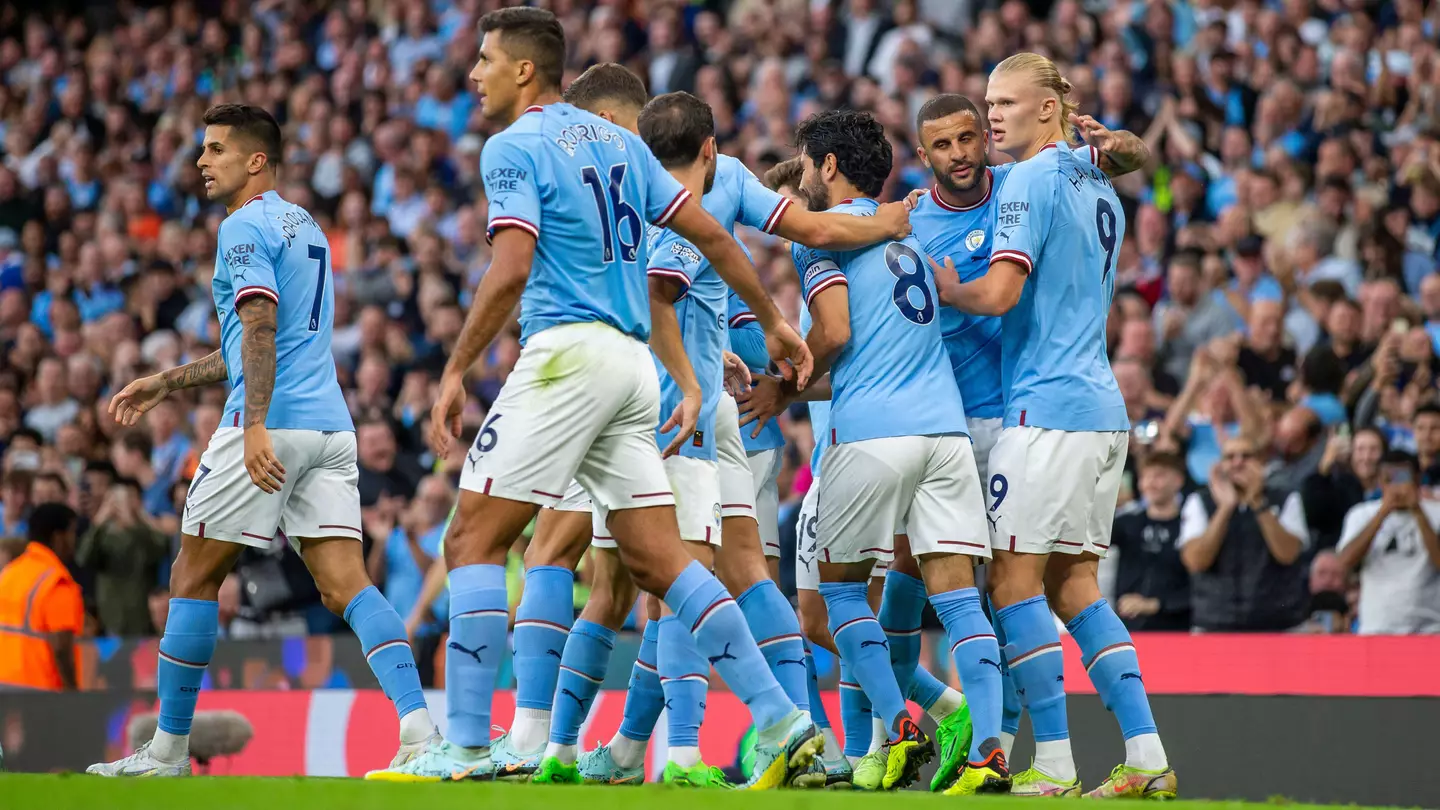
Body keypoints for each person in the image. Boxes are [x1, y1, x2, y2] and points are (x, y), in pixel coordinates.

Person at [373, 9, 818, 788]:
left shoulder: (513, 146)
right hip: (631, 364)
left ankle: (471, 748)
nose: (471, 75)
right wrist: (774, 318)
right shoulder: (622, 144)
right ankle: (784, 719)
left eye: (483, 60)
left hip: (567, 354)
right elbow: (714, 235)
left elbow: (511, 268)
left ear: (524, 71)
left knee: (470, 539)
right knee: (660, 557)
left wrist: (454, 369)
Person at [509, 65, 909, 786]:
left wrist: (693, 371)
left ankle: (620, 749)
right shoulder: (723, 181)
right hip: (706, 405)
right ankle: (758, 735)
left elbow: (659, 292)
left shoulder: (639, 196)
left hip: (658, 408)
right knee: (742, 574)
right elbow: (789, 234)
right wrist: (888, 219)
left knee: (639, 583)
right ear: (711, 144)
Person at [89, 103, 436, 777]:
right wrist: (169, 380)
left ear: (255, 160)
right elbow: (253, 341)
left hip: (272, 424)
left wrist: (251, 425)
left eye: (214, 149)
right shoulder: (304, 224)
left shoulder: (242, 226)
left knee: (194, 574)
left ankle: (167, 751)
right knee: (347, 585)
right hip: (331, 427)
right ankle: (420, 729)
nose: (200, 161)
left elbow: (261, 328)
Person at [742, 109, 1007, 795]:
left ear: (828, 167)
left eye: (807, 164)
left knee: (835, 592)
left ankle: (899, 722)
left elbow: (832, 330)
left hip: (869, 434)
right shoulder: (907, 236)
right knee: (959, 602)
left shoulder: (823, 242)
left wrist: (782, 386)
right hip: (944, 433)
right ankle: (988, 751)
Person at [932, 53, 1175, 798]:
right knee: (1075, 589)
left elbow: (1001, 295)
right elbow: (1130, 153)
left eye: (1006, 102)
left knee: (1011, 585)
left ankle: (1055, 765)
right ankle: (1147, 758)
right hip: (1102, 415)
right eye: (988, 102)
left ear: (1048, 109)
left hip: (1044, 413)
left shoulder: (1032, 180)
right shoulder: (1096, 180)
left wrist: (943, 285)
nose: (992, 115)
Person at [1179, 435, 1310, 631]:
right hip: (1214, 625)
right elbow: (1195, 561)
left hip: (1278, 625)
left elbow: (1288, 554)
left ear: (1261, 463)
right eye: (1230, 457)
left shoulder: (1286, 499)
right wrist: (1225, 508)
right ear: (1220, 464)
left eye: (1246, 456)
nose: (1238, 463)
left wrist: (1257, 501)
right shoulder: (1199, 501)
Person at [1336, 450, 1440, 634]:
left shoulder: (1436, 513)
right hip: (1377, 628)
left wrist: (1417, 511)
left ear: (1417, 479)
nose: (1396, 486)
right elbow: (1345, 561)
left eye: (1402, 478)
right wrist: (1383, 513)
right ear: (1379, 481)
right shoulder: (1361, 514)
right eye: (1388, 479)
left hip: (1429, 628)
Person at [0, 503, 84, 691]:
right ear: (58, 537)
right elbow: (61, 648)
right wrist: (73, 694)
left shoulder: (10, 573)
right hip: (39, 695)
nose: (75, 540)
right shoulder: (56, 582)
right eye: (72, 533)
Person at [1109, 452, 1192, 631]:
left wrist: (1155, 604)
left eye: (1159, 475)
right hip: (1127, 628)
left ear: (1178, 480)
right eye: (1145, 476)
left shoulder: (1190, 526)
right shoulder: (1127, 523)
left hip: (1176, 630)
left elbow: (1202, 584)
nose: (1150, 483)